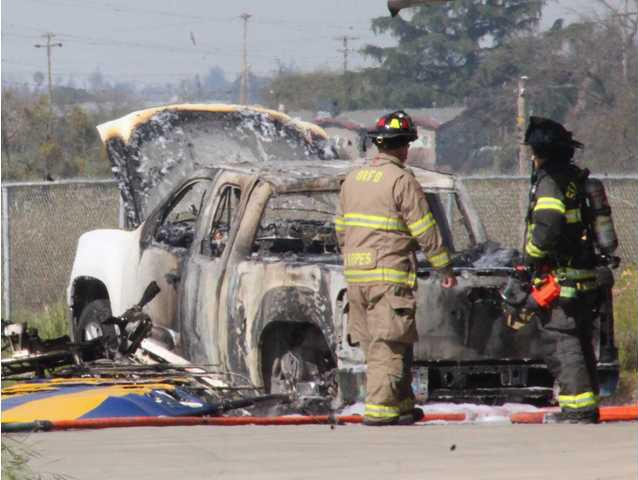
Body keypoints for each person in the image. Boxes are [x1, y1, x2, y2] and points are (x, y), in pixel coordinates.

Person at [335, 110, 457, 426]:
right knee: (389, 344)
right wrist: (444, 267)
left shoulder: (353, 179)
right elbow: (425, 230)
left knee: (384, 343)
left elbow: (341, 230)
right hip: (388, 276)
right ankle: (380, 409)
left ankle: (402, 403)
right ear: (403, 146)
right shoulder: (402, 180)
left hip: (356, 277)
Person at [523, 116, 601, 423]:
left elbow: (547, 228)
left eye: (533, 153)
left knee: (561, 340)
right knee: (580, 341)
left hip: (561, 278)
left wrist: (529, 258)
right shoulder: (575, 179)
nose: (532, 159)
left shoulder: (550, 183)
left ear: (542, 153)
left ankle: (577, 409)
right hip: (584, 277)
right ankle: (588, 405)